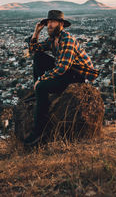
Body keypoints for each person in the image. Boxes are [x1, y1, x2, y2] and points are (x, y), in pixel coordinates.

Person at [24, 10, 99, 146]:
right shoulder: (53, 40)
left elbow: (62, 67)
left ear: (61, 24)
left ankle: (39, 132)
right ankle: (40, 96)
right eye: (48, 23)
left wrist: (41, 80)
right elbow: (35, 49)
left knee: (41, 86)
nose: (49, 25)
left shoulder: (67, 39)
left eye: (52, 22)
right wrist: (36, 32)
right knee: (38, 57)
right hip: (67, 71)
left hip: (77, 75)